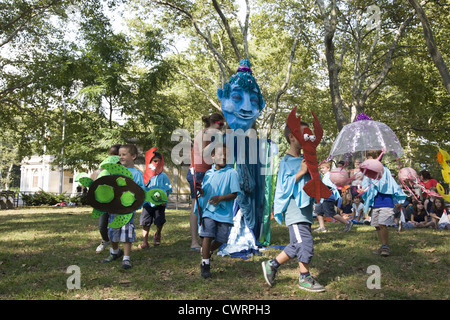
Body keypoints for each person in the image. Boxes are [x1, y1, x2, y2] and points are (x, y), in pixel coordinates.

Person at [261, 122, 325, 292]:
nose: (307, 138)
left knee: (297, 243)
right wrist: (301, 172)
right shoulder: (286, 161)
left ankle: (272, 265)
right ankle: (304, 277)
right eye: (303, 134)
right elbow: (283, 186)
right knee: (305, 242)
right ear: (291, 137)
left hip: (305, 209)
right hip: (293, 207)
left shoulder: (305, 159)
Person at [195, 143, 241, 278]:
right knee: (207, 234)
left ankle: (207, 251)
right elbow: (205, 191)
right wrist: (200, 190)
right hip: (209, 210)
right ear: (213, 156)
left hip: (224, 213)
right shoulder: (208, 173)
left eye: (227, 155)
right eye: (221, 154)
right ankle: (205, 264)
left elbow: (234, 194)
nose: (224, 157)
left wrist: (221, 198)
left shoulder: (232, 173)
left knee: (222, 239)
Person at [187, 113, 225, 251]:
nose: (222, 127)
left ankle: (206, 238)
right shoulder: (204, 133)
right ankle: (194, 242)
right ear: (214, 122)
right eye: (221, 124)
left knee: (206, 207)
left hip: (206, 173)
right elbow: (204, 153)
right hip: (197, 173)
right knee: (196, 207)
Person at [103, 144, 145, 269]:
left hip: (128, 209)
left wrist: (135, 203)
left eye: (124, 154)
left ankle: (126, 258)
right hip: (114, 207)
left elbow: (141, 190)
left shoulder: (137, 174)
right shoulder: (115, 171)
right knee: (112, 231)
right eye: (119, 154)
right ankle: (115, 252)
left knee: (127, 232)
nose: (121, 157)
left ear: (133, 156)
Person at [359, 150, 406, 257]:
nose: (366, 160)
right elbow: (366, 186)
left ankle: (386, 246)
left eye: (368, 157)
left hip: (386, 202)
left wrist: (397, 201)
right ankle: (383, 245)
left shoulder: (384, 170)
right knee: (377, 225)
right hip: (375, 203)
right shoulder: (368, 173)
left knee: (382, 224)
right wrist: (363, 190)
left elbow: (387, 185)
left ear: (376, 158)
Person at [139, 152, 172, 248]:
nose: (157, 163)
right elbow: (143, 188)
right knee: (146, 222)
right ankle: (145, 241)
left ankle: (158, 234)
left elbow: (167, 189)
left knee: (159, 221)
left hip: (159, 204)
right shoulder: (146, 176)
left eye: (159, 161)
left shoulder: (164, 176)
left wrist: (164, 201)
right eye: (155, 161)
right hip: (148, 203)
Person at [95, 144, 121, 254]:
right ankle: (105, 240)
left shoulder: (123, 168)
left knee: (115, 225)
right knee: (102, 225)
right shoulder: (104, 166)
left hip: (115, 201)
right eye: (111, 154)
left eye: (115, 154)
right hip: (104, 201)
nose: (112, 156)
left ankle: (116, 247)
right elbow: (96, 177)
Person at [314, 162, 352, 233]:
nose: (321, 170)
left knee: (331, 213)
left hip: (328, 196)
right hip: (322, 197)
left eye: (323, 168)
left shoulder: (330, 175)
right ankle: (322, 227)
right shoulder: (324, 176)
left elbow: (331, 186)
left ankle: (347, 223)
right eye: (320, 168)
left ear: (328, 168)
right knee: (319, 211)